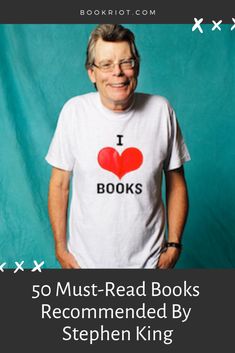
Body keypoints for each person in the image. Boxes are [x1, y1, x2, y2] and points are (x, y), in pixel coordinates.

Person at [45, 24, 190, 269]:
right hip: (86, 265)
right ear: (91, 72)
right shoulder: (74, 112)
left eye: (126, 62)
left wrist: (174, 245)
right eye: (106, 64)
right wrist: (60, 248)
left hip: (150, 265)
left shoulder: (160, 111)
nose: (118, 73)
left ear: (138, 66)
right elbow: (59, 185)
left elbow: (176, 183)